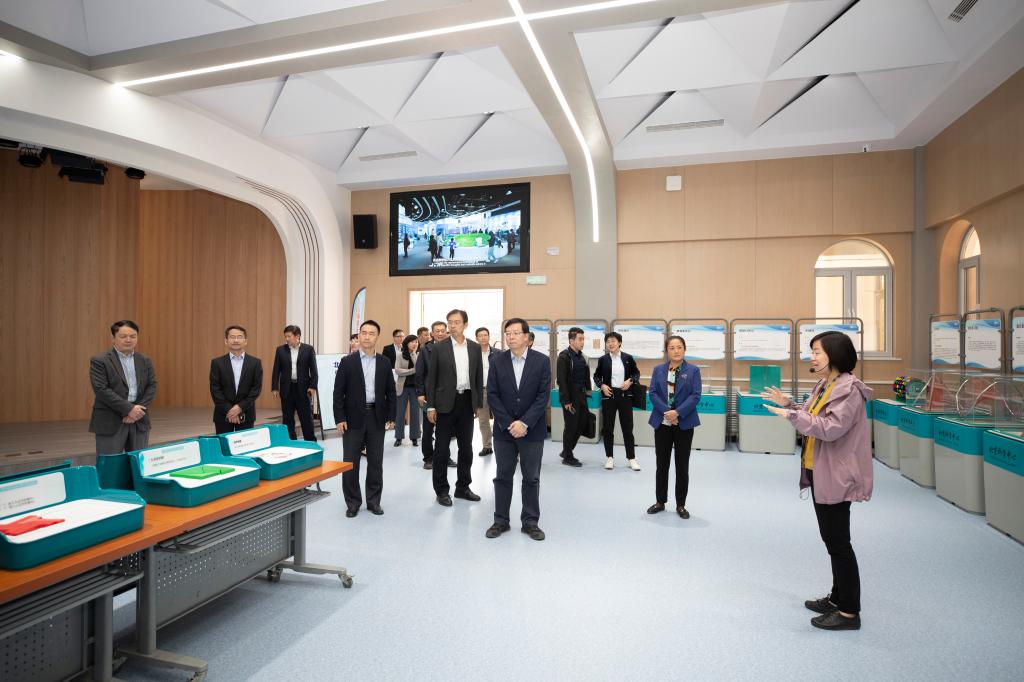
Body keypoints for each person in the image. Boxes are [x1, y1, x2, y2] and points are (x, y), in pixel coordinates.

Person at [762, 331, 873, 631]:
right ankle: (837, 598)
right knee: (831, 539)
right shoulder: (826, 384)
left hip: (837, 474)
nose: (812, 357)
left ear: (834, 354)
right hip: (820, 469)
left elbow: (830, 428)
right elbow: (813, 415)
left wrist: (790, 416)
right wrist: (791, 405)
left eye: (817, 352)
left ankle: (849, 612)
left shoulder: (849, 390)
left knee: (839, 543)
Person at [485, 318, 551, 541]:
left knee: (531, 478)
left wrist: (525, 423)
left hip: (532, 430)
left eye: (515, 333)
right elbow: (492, 394)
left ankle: (530, 522)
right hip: (504, 431)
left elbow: (543, 396)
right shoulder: (497, 361)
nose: (510, 337)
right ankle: (500, 520)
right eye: (507, 333)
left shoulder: (541, 361)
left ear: (526, 337)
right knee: (503, 476)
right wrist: (508, 423)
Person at [333, 320, 396, 517]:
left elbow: (391, 392)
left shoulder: (385, 362)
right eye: (364, 333)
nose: (367, 337)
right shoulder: (347, 361)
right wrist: (340, 418)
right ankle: (353, 502)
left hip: (377, 417)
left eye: (371, 333)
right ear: (359, 335)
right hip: (352, 419)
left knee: (376, 462)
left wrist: (391, 416)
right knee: (351, 462)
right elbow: (338, 393)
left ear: (377, 337)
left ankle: (373, 501)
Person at [426, 309, 484, 506]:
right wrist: (430, 406)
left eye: (456, 322)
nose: (452, 325)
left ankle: (463, 487)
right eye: (450, 322)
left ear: (465, 325)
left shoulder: (474, 347)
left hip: (466, 402)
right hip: (444, 404)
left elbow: (478, 377)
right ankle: (442, 491)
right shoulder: (439, 347)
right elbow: (432, 378)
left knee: (466, 448)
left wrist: (478, 404)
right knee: (441, 450)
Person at [647, 336, 700, 518]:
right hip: (662, 423)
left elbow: (695, 395)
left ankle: (681, 505)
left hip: (684, 423)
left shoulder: (693, 370)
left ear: (684, 349)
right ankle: (660, 501)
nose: (676, 351)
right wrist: (667, 412)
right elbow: (653, 393)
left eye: (679, 347)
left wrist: (677, 413)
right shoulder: (658, 370)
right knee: (662, 464)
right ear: (667, 351)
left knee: (682, 466)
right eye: (672, 347)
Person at [89, 320, 158, 454]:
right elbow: (101, 389)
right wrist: (129, 409)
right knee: (111, 463)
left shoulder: (144, 360)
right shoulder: (100, 360)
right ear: (113, 338)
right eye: (123, 336)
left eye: (133, 336)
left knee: (138, 462)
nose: (128, 340)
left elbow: (152, 386)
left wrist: (137, 410)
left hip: (139, 418)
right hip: (111, 419)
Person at [594, 331, 641, 471]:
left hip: (625, 396)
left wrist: (630, 381)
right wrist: (602, 385)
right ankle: (609, 458)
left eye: (613, 341)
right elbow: (596, 376)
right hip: (609, 395)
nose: (610, 344)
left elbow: (636, 373)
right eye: (608, 341)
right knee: (608, 428)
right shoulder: (603, 359)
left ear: (619, 343)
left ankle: (631, 458)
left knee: (628, 428)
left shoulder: (627, 358)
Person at [210, 325, 263, 434]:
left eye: (239, 337)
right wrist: (230, 410)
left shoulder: (255, 363)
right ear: (226, 341)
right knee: (223, 444)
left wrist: (239, 407)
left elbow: (256, 389)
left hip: (246, 413)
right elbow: (215, 389)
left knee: (246, 444)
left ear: (245, 341)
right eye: (232, 337)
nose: (236, 340)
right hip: (223, 414)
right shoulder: (217, 363)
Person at [416, 321, 455, 469]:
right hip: (429, 395)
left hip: (446, 396)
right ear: (432, 333)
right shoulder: (425, 350)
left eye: (442, 330)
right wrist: (420, 393)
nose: (440, 333)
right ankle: (428, 458)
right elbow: (419, 373)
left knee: (445, 429)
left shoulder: (451, 348)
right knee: (427, 429)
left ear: (446, 332)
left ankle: (445, 457)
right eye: (436, 331)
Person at [271, 325, 318, 441]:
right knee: (287, 419)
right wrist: (274, 387)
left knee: (306, 418)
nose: (286, 339)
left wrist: (312, 386)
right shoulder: (280, 350)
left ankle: (310, 442)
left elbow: (314, 370)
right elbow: (276, 370)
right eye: (285, 336)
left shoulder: (308, 349)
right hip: (287, 389)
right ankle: (291, 442)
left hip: (303, 389)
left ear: (297, 336)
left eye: (289, 336)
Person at [556, 327, 591, 467]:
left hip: (582, 395)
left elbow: (586, 376)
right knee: (571, 426)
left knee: (582, 424)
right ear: (571, 340)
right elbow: (561, 380)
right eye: (580, 339)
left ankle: (566, 450)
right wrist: (566, 400)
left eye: (583, 339)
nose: (582, 342)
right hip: (570, 397)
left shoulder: (582, 357)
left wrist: (588, 392)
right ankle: (568, 457)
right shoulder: (564, 357)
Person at [394, 334, 421, 447]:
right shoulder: (400, 354)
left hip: (415, 388)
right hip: (402, 387)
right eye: (412, 342)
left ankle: (414, 437)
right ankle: (399, 437)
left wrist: (413, 354)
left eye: (416, 342)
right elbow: (398, 370)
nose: (415, 344)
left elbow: (419, 369)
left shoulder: (418, 354)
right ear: (407, 343)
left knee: (415, 413)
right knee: (400, 413)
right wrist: (412, 371)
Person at [476, 327, 494, 457]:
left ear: (489, 336)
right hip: (481, 390)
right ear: (476, 338)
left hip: (497, 391)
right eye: (480, 335)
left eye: (485, 335)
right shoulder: (472, 353)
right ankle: (487, 446)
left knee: (502, 418)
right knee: (483, 421)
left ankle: (506, 446)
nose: (483, 337)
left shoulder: (498, 353)